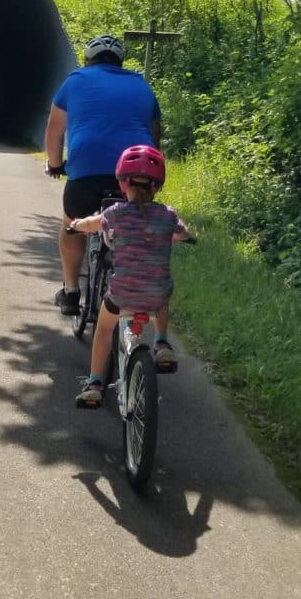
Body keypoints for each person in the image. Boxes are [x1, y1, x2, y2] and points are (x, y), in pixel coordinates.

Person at [45, 34, 162, 315]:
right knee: (136, 222)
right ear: (120, 62)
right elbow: (156, 134)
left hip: (87, 169)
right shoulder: (140, 84)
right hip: (137, 169)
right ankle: (134, 288)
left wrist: (55, 163)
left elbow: (54, 131)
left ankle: (72, 293)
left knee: (73, 226)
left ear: (88, 60)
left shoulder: (75, 81)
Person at [68, 144, 191, 409]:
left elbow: (92, 224)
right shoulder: (167, 215)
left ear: (123, 184)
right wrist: (180, 236)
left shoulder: (115, 214)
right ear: (156, 187)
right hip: (156, 296)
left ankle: (95, 384)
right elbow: (182, 233)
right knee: (162, 292)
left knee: (102, 331)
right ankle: (160, 343)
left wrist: (76, 225)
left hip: (121, 296)